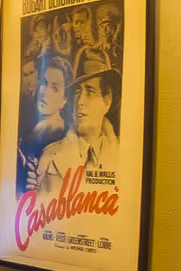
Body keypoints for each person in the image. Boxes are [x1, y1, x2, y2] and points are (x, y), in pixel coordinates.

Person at [35, 53, 120, 195]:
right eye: (76, 92)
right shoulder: (49, 157)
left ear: (107, 100)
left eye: (90, 91)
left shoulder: (123, 157)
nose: (79, 101)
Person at [19, 52, 73, 195]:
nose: (44, 92)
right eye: (43, 83)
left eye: (54, 88)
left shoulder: (55, 131)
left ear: (64, 101)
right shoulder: (36, 126)